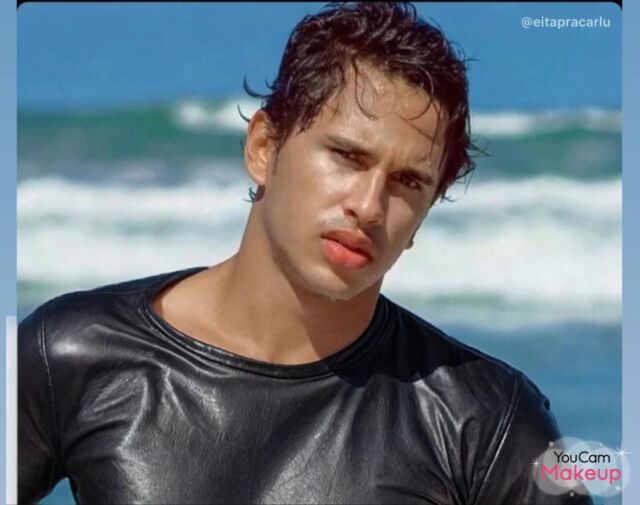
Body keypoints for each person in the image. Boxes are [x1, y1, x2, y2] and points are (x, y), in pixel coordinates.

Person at [19, 2, 593, 504]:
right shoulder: (71, 353)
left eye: (408, 182)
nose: (369, 206)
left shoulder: (486, 423)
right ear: (264, 148)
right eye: (347, 157)